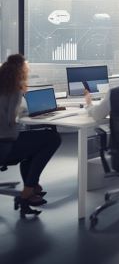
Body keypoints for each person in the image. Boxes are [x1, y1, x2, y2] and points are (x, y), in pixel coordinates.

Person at [0, 54, 61, 216]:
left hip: (5, 143)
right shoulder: (14, 89)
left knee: (35, 144)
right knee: (52, 138)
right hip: (5, 145)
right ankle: (28, 191)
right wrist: (23, 114)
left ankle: (32, 188)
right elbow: (10, 121)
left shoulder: (4, 87)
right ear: (21, 72)